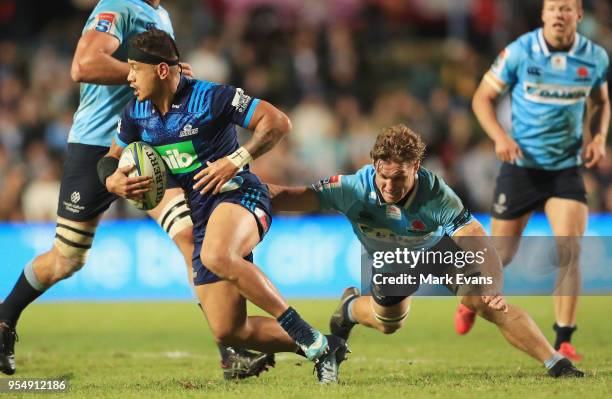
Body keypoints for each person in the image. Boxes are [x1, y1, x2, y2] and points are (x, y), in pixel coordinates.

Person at [0, 0, 272, 379]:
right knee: (66, 258)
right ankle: (4, 318)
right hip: (99, 146)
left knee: (191, 236)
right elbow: (83, 65)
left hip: (150, 142)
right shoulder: (117, 6)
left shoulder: (162, 17)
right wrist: (141, 69)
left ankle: (231, 350)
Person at [100, 29, 348, 384]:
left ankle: (305, 335)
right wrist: (112, 180)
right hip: (203, 215)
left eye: (135, 68)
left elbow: (277, 122)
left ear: (162, 71)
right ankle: (326, 347)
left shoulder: (211, 97)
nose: (128, 77)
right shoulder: (136, 113)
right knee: (230, 331)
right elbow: (111, 156)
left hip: (240, 196)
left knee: (216, 255)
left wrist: (238, 158)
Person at [270, 124, 584, 378]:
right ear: (374, 166)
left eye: (400, 179)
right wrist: (253, 193)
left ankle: (556, 363)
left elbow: (472, 233)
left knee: (488, 303)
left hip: (437, 252)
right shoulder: (351, 189)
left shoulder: (435, 192)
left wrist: (490, 283)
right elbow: (295, 197)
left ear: (416, 168)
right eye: (384, 177)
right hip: (391, 261)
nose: (390, 187)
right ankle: (350, 308)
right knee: (388, 323)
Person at [461, 0, 610, 361]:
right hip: (521, 166)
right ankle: (467, 300)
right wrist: (499, 136)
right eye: (553, 8)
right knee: (501, 256)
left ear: (578, 15)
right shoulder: (519, 52)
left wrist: (598, 138)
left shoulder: (595, 57)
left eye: (566, 8)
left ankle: (564, 339)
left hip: (565, 168)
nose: (559, 14)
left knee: (570, 248)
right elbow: (482, 97)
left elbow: (602, 101)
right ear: (543, 15)